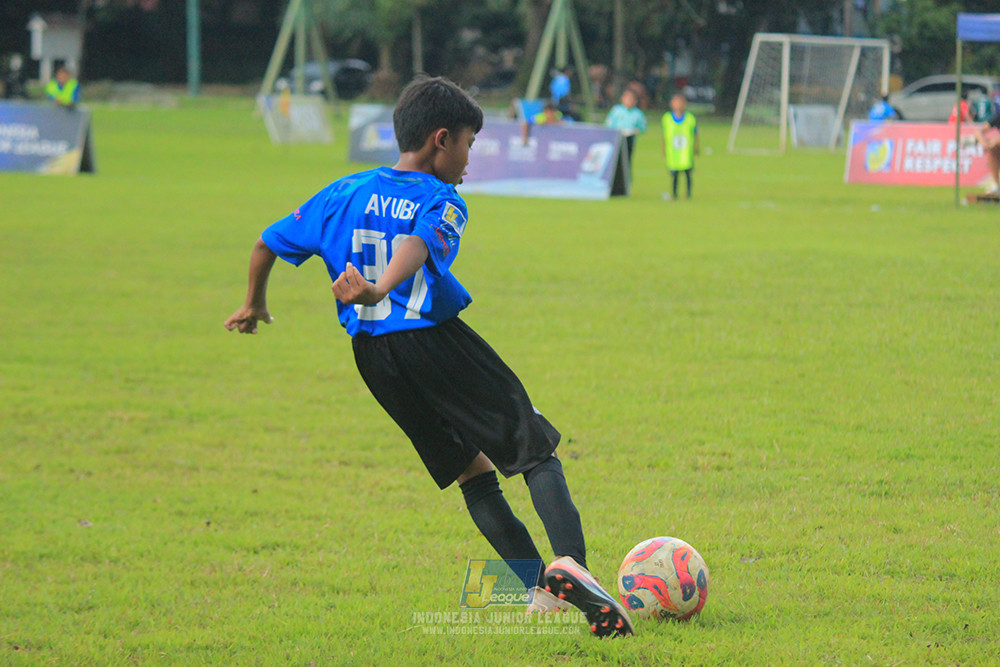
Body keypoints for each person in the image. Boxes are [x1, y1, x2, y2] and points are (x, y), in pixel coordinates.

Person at [224, 75, 634, 638]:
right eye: (469, 143)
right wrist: (378, 288)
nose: (469, 159)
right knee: (535, 448)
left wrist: (253, 303)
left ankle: (541, 594)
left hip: (374, 360)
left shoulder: (343, 192)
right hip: (435, 343)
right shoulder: (442, 200)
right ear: (442, 139)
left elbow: (266, 242)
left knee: (473, 474)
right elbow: (416, 245)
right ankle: (573, 566)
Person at [661, 93, 699, 200]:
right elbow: (664, 135)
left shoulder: (690, 118)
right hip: (673, 153)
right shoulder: (667, 118)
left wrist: (696, 147)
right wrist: (663, 148)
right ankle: (674, 193)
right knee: (674, 175)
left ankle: (688, 193)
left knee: (688, 174)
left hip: (686, 153)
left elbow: (695, 133)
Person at [604, 89, 648, 172]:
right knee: (615, 159)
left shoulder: (637, 113)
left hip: (629, 138)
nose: (629, 101)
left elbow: (642, 127)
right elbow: (608, 124)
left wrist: (636, 130)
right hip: (617, 138)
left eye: (631, 99)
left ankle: (625, 176)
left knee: (626, 160)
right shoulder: (617, 110)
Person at [973, 108, 1000, 195]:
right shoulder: (998, 117)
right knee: (992, 149)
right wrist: (984, 143)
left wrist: (996, 141)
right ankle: (997, 185)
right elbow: (978, 131)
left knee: (995, 144)